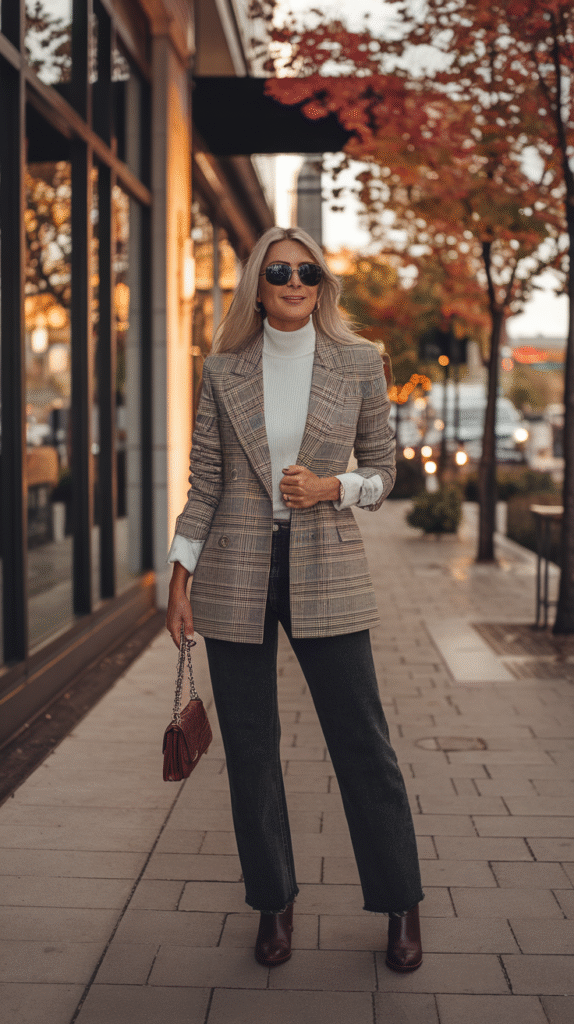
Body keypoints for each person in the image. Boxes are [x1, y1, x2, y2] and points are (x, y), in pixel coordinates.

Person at [166, 226, 424, 970]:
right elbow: (205, 483)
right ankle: (273, 905)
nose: (294, 280)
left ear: (321, 282)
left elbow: (384, 469)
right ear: (258, 281)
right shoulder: (222, 371)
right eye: (279, 269)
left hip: (329, 570)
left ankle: (400, 904)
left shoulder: (358, 362)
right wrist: (180, 577)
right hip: (235, 573)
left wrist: (332, 488)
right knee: (250, 752)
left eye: (306, 269)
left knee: (364, 747)